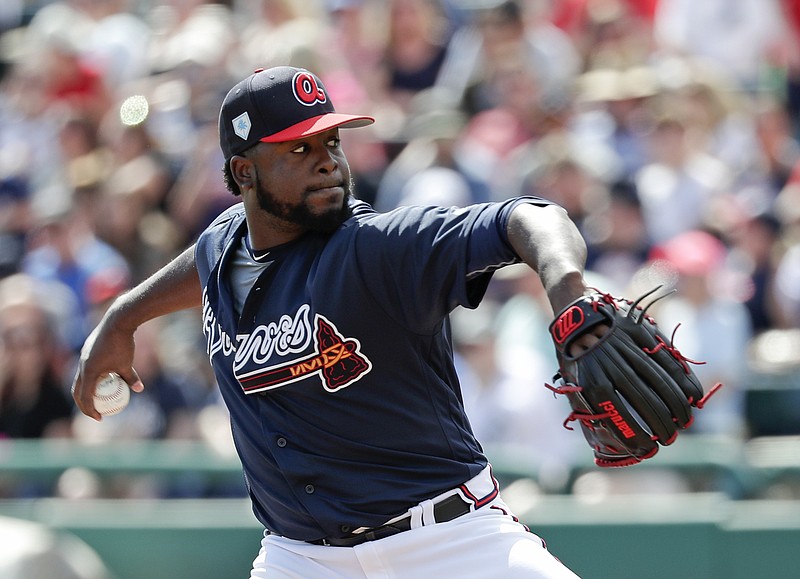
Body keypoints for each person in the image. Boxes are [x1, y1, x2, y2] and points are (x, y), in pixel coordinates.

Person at [72, 65, 595, 578]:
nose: (327, 162)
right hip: (301, 558)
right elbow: (202, 262)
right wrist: (123, 317)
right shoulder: (224, 242)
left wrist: (570, 294)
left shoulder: (377, 247)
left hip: (449, 541)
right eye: (300, 148)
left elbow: (530, 218)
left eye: (332, 143)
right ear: (244, 173)